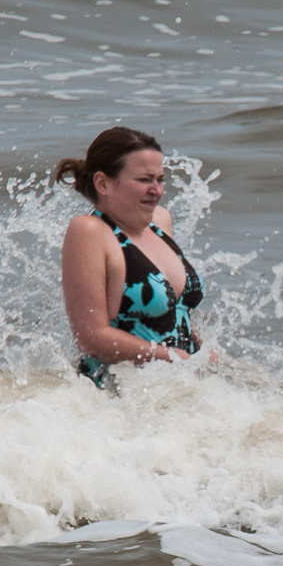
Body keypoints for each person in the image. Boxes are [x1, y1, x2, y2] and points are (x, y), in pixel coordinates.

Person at [55, 127, 205, 388]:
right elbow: (90, 336)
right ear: (103, 183)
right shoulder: (89, 231)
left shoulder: (160, 222)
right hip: (116, 395)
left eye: (160, 179)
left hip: (173, 390)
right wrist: (171, 357)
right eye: (144, 180)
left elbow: (172, 317)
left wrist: (202, 351)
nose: (156, 190)